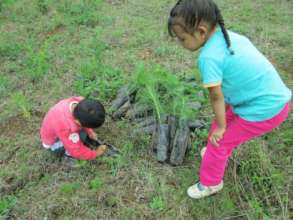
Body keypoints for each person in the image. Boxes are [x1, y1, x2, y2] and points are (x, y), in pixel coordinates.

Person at [168, 0, 292, 199]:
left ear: (201, 31)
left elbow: (216, 96)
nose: (180, 44)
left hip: (265, 109)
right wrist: (221, 123)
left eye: (182, 39)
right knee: (219, 126)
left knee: (220, 142)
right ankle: (213, 153)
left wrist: (222, 127)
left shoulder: (208, 58)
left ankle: (210, 183)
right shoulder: (230, 37)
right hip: (261, 97)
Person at [40, 96, 107, 160]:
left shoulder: (80, 103)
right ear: (77, 121)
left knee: (82, 134)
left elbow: (85, 117)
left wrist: (89, 131)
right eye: (87, 126)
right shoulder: (66, 127)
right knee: (81, 137)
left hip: (57, 127)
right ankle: (67, 154)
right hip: (53, 143)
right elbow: (76, 150)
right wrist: (95, 154)